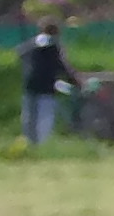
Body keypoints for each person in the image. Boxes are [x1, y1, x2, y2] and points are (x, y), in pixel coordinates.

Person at [20, 10, 80, 146]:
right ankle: (41, 146)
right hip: (47, 87)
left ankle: (28, 145)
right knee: (44, 120)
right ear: (57, 31)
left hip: (29, 85)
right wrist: (75, 81)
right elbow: (61, 67)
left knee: (28, 119)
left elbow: (20, 53)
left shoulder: (32, 43)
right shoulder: (54, 46)